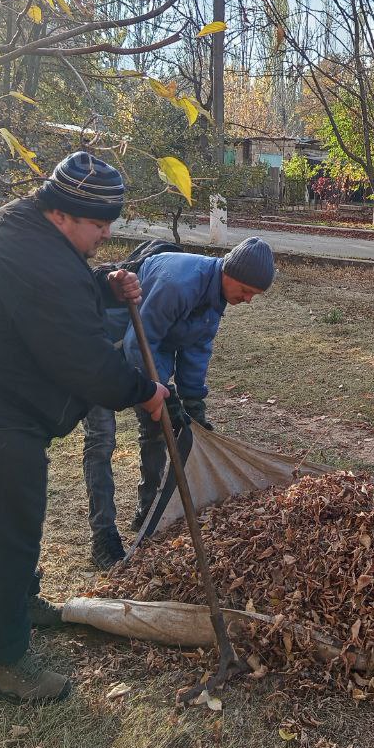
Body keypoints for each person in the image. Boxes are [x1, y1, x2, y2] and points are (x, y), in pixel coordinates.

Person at [0, 152, 169, 705]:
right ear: (64, 213)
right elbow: (84, 361)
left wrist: (101, 283)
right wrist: (144, 392)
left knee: (14, 514)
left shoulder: (25, 228)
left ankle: (18, 605)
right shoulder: (32, 253)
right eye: (99, 226)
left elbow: (49, 299)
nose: (104, 235)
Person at [82, 235, 276, 568]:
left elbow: (196, 349)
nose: (247, 300)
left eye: (254, 296)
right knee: (102, 440)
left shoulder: (215, 299)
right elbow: (138, 343)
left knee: (158, 431)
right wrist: (158, 389)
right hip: (102, 350)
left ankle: (148, 517)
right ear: (228, 271)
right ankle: (103, 537)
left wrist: (193, 400)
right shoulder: (180, 282)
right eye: (245, 290)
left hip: (140, 356)